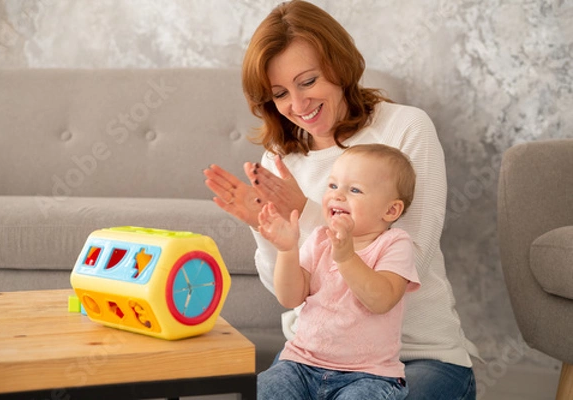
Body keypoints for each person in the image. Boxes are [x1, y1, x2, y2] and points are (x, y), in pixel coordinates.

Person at [203, 1, 479, 399]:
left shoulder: (405, 128)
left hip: (416, 356)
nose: (298, 106)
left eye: (309, 81)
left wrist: (309, 211)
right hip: (311, 361)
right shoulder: (281, 160)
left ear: (338, 65)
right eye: (280, 93)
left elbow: (408, 262)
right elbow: (291, 292)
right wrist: (269, 231)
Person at [257, 144, 420, 400]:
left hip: (368, 375)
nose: (338, 195)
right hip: (300, 364)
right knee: (265, 389)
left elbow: (382, 300)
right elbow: (290, 298)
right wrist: (287, 250)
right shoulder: (320, 238)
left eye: (354, 190)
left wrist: (346, 257)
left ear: (390, 210)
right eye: (333, 186)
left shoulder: (394, 243)